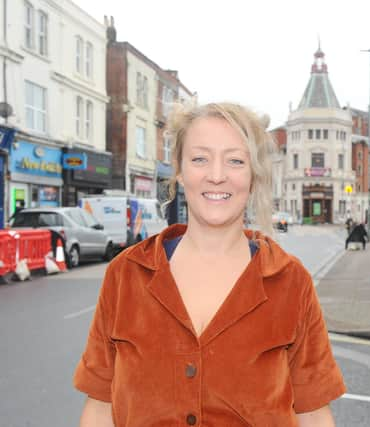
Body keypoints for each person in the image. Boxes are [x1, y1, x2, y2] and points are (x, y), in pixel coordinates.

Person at [74, 102, 346, 426]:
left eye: (235, 160)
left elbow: (313, 413)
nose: (217, 176)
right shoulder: (126, 274)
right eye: (200, 159)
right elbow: (101, 405)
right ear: (179, 169)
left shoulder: (290, 281)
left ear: (254, 174)